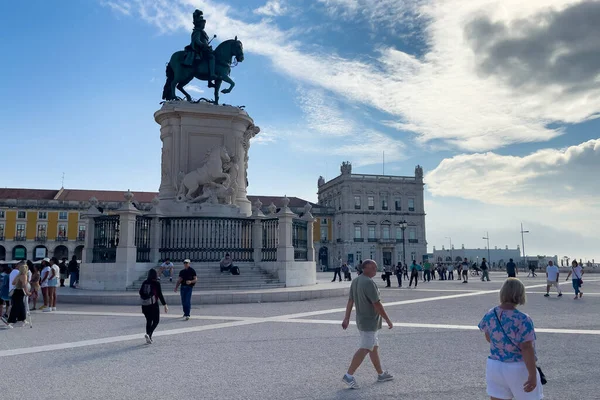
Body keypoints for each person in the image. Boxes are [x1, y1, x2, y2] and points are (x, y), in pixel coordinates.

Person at [478, 278, 543, 400]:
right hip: (517, 367)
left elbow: (489, 337)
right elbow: (526, 348)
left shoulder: (490, 314)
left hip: (495, 365)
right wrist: (533, 374)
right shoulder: (523, 319)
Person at [341, 260, 393, 389]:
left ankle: (380, 374)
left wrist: (346, 318)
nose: (376, 269)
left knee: (373, 347)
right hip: (369, 322)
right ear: (366, 268)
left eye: (376, 267)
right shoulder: (369, 283)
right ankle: (349, 375)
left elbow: (350, 301)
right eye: (373, 267)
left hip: (363, 320)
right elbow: (377, 304)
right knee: (365, 348)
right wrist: (387, 319)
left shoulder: (356, 280)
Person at [139, 269, 168, 344]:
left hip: (145, 304)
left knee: (148, 320)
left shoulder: (145, 282)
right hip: (153, 304)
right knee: (156, 320)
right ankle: (149, 334)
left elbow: (140, 292)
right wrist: (165, 304)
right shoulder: (156, 283)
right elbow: (160, 295)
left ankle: (148, 337)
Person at [2, 262, 31, 328]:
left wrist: (18, 283)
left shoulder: (18, 275)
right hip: (20, 291)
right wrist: (27, 292)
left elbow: (13, 283)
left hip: (15, 292)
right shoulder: (24, 275)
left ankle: (21, 319)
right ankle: (12, 320)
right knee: (19, 306)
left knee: (19, 306)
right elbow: (24, 285)